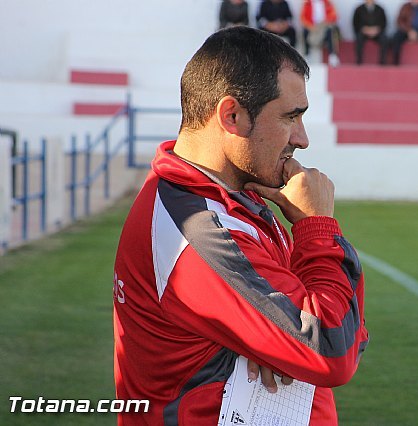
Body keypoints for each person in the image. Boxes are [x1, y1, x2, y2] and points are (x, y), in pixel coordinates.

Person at [113, 27, 368, 425]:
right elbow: (334, 348)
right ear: (231, 115)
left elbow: (343, 328)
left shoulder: (234, 198)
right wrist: (317, 227)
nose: (302, 139)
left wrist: (279, 340)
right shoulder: (199, 230)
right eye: (291, 117)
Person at [301, 0, 341, 67]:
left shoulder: (327, 3)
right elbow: (303, 18)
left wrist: (325, 23)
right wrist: (311, 27)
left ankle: (332, 56)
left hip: (323, 27)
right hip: (312, 27)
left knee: (330, 31)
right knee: (305, 31)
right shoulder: (307, 3)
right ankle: (307, 55)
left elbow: (334, 15)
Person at [352, 0, 388, 65]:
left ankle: (382, 62)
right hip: (364, 32)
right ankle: (359, 61)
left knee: (384, 39)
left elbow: (384, 23)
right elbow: (355, 23)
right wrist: (364, 29)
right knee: (358, 38)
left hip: (377, 32)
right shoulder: (359, 9)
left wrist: (376, 30)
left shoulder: (380, 9)